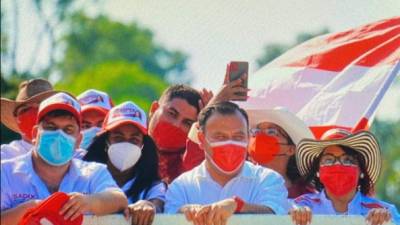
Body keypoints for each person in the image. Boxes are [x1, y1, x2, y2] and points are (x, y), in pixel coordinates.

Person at [1, 92, 128, 224]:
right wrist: (26, 211)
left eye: (68, 129)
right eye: (51, 127)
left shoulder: (93, 172)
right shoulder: (5, 173)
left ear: (78, 141)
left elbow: (119, 199)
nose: (59, 135)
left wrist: (89, 202)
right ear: (34, 134)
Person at [165, 102, 288, 225]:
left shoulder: (268, 180)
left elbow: (275, 215)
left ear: (248, 138)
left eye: (238, 137)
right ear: (202, 140)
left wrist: (238, 206)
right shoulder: (181, 187)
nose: (230, 143)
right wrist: (184, 213)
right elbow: (167, 218)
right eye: (220, 137)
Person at [290, 129, 400, 225]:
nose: (338, 165)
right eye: (328, 160)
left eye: (347, 160)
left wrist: (387, 223)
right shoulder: (300, 206)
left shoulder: (384, 211)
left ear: (361, 171)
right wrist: (292, 216)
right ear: (318, 171)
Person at [84, 101, 165, 225]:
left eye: (134, 139)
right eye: (118, 138)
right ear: (106, 142)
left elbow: (157, 203)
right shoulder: (87, 176)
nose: (126, 145)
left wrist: (148, 205)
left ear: (143, 146)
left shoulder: (152, 186)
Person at [148, 84, 212, 183]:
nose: (176, 125)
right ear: (154, 109)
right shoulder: (127, 139)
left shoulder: (191, 167)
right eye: (172, 113)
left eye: (187, 123)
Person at [246, 107, 316, 198]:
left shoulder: (306, 195)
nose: (260, 136)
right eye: (256, 131)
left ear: (290, 150)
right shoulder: (238, 183)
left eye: (271, 132)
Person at [1, 78, 56, 160]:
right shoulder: (5, 155)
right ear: (16, 118)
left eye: (41, 107)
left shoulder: (71, 152)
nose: (33, 114)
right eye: (25, 110)